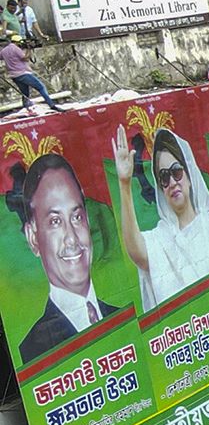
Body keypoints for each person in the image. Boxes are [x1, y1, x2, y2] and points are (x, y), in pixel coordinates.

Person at [6, 153, 124, 363]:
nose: (71, 239)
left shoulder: (122, 318)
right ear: (33, 238)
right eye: (55, 222)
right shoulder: (33, 351)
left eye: (77, 217)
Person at [112, 126, 209, 310]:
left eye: (177, 172)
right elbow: (136, 251)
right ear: (161, 188)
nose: (172, 182)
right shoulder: (159, 240)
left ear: (189, 176)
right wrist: (124, 184)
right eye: (164, 177)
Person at [3, 35, 62, 112]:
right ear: (17, 42)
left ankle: (26, 108)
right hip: (23, 73)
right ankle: (51, 105)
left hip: (14, 76)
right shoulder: (16, 49)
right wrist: (29, 49)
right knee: (41, 87)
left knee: (25, 93)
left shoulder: (4, 51)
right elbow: (26, 58)